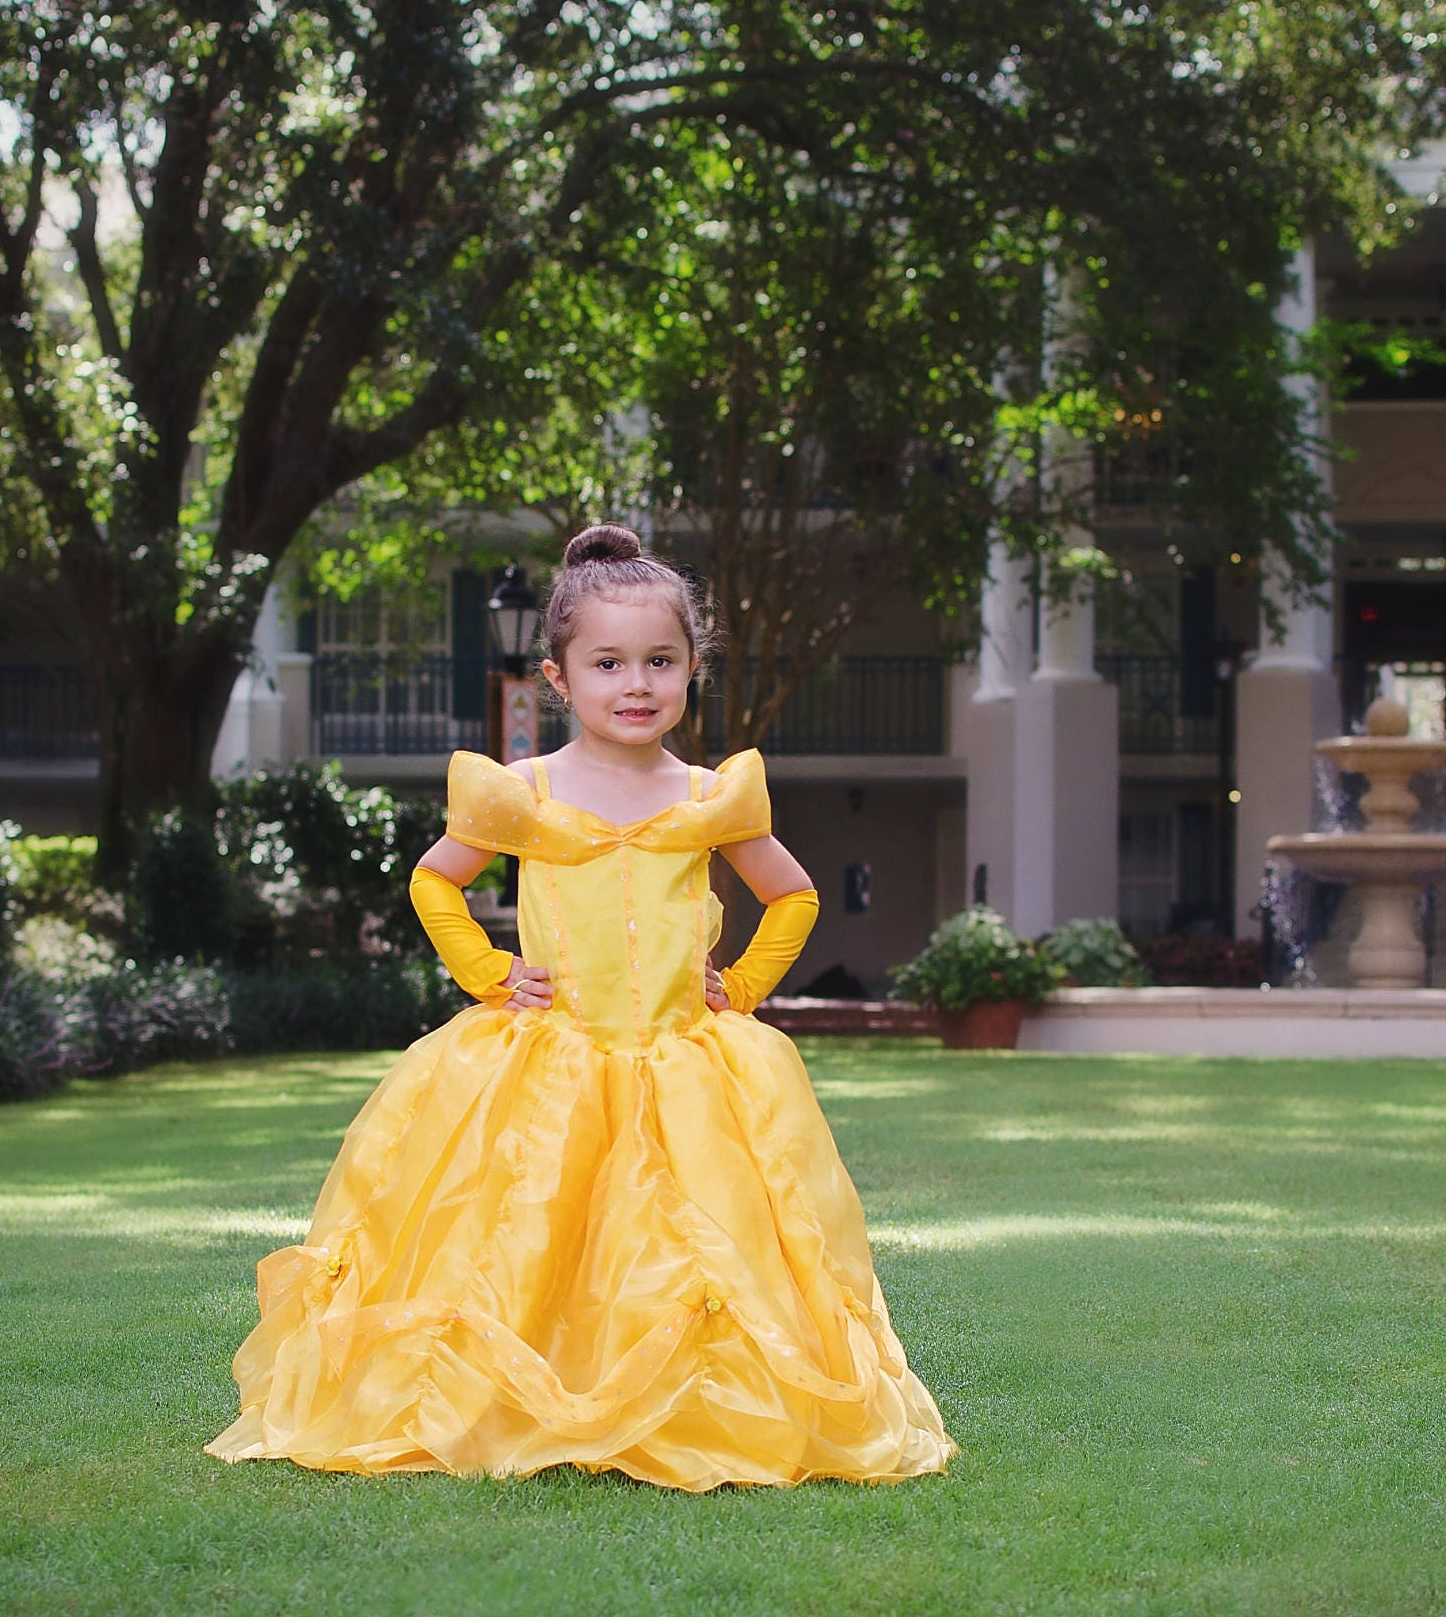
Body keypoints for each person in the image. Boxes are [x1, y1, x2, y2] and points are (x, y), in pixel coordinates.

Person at [207, 526, 955, 1490]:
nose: (635, 684)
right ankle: (516, 1391)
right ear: (559, 676)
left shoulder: (707, 794)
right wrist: (485, 970)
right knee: (528, 1227)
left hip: (684, 1060)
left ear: (692, 671)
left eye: (661, 662)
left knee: (685, 1236)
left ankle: (687, 1400)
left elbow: (795, 895)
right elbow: (436, 884)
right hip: (550, 1059)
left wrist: (747, 984)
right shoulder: (524, 790)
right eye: (608, 663)